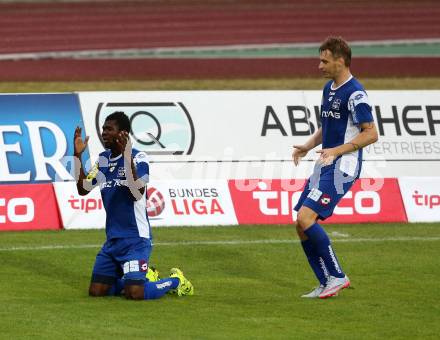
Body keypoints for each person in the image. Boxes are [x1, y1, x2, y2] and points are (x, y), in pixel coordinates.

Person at [73, 111, 194, 300]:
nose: (104, 133)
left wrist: (127, 155)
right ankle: (142, 276)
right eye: (103, 128)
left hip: (135, 240)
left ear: (123, 133)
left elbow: (137, 192)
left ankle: (176, 280)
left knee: (134, 293)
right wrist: (77, 156)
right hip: (112, 240)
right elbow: (83, 188)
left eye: (109, 129)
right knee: (96, 291)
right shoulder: (103, 160)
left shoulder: (139, 157)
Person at [292, 36, 378, 299]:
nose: (319, 66)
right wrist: (307, 146)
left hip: (343, 167)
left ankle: (338, 276)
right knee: (300, 223)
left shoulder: (356, 94)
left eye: (324, 61)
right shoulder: (329, 88)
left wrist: (337, 151)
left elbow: (371, 134)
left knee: (307, 218)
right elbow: (327, 127)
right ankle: (325, 282)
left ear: (340, 61)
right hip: (325, 164)